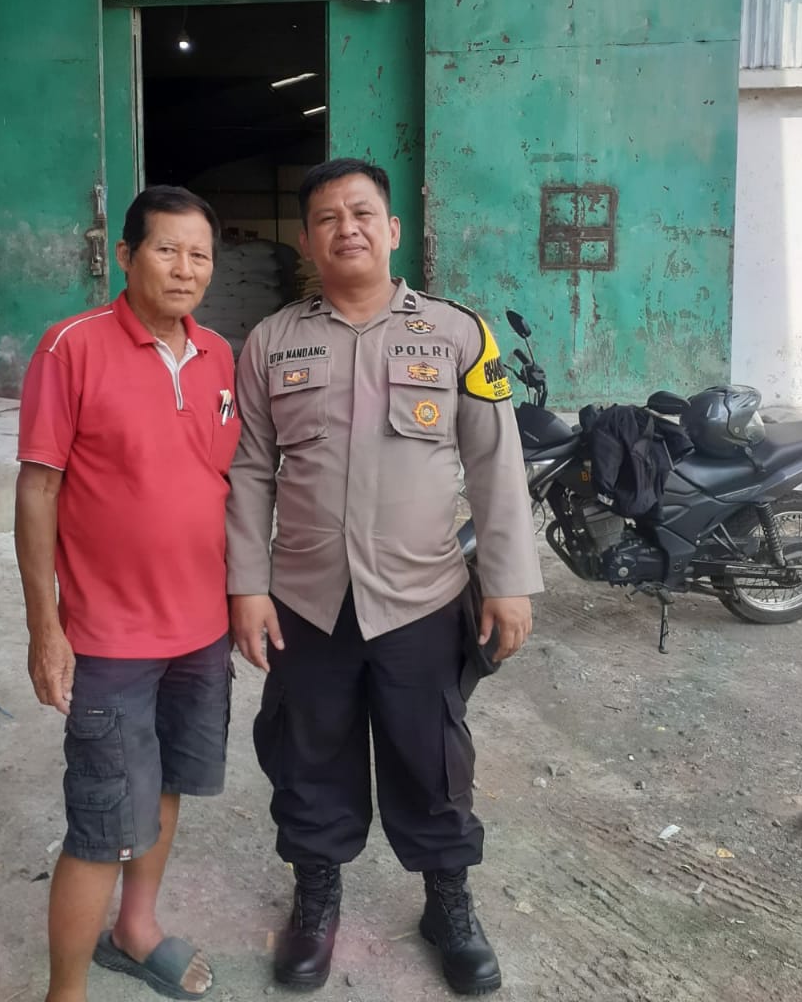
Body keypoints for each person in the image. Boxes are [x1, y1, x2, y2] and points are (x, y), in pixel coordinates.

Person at [226, 158, 542, 995]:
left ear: (392, 229)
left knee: (431, 757)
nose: (348, 229)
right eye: (328, 218)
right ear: (306, 240)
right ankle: (316, 901)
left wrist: (509, 580)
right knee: (307, 754)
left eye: (363, 213)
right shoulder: (271, 342)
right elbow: (250, 471)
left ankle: (448, 904)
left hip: (421, 597)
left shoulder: (459, 333)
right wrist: (246, 586)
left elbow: (495, 462)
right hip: (307, 601)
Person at [14, 185, 239, 1002]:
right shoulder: (70, 347)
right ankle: (65, 991)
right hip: (109, 637)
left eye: (200, 254)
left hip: (201, 630)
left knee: (167, 782)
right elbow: (38, 489)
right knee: (101, 821)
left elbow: (223, 483)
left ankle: (135, 929)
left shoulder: (219, 355)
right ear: (125, 255)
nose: (185, 269)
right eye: (167, 249)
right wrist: (45, 627)